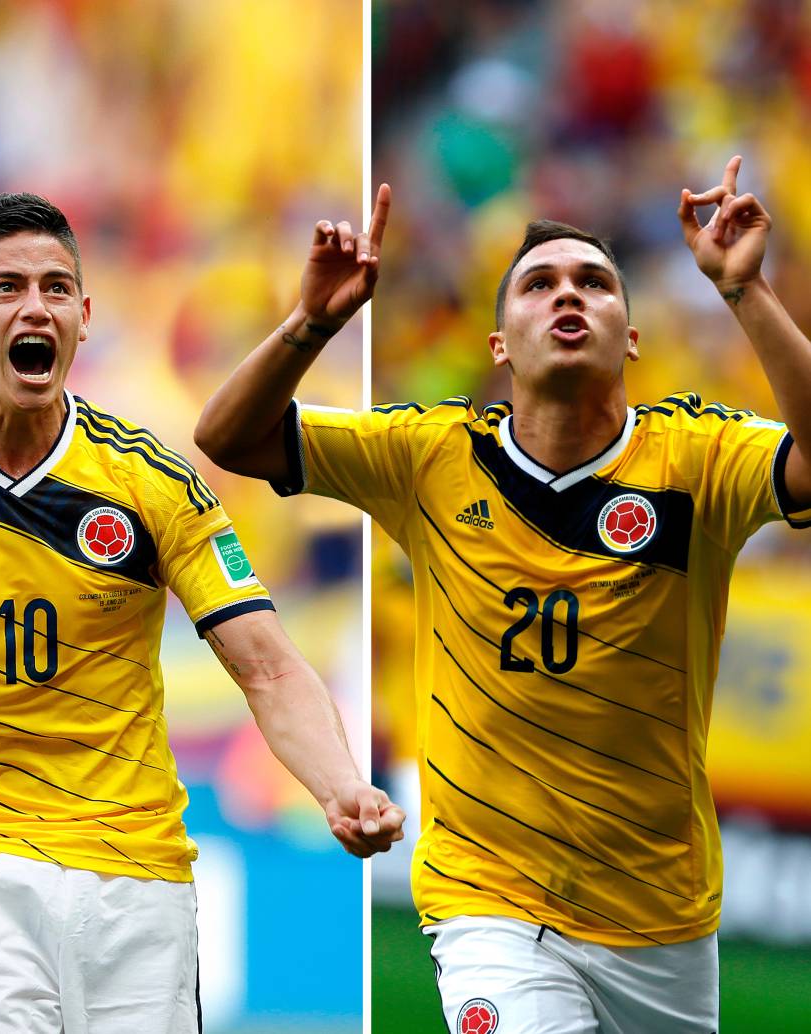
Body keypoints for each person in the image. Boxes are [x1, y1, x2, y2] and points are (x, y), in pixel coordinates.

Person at [194, 156, 811, 1033]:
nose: (568, 296)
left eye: (594, 283)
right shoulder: (427, 454)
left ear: (630, 334)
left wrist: (747, 292)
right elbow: (229, 437)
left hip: (660, 913)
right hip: (489, 902)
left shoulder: (698, 459)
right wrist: (309, 324)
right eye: (539, 285)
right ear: (499, 343)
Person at [0, 193, 404, 1033]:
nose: (35, 305)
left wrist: (341, 787)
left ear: (82, 316)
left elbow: (268, 663)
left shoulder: (153, 481)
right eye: (5, 288)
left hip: (138, 874)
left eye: (55, 287)